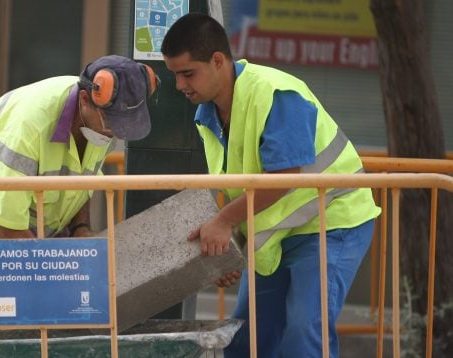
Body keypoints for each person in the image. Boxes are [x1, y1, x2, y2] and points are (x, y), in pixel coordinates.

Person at [161, 13, 381, 357]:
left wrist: (223, 222)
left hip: (330, 222)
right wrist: (229, 251)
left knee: (304, 334)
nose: (180, 85)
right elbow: (241, 188)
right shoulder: (207, 115)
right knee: (247, 340)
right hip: (278, 233)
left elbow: (283, 180)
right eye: (175, 75)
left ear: (218, 61)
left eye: (188, 73)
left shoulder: (276, 93)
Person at [0, 55, 159, 338]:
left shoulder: (101, 122)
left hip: (29, 228)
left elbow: (80, 181)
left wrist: (79, 228)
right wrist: (47, 275)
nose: (117, 133)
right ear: (85, 99)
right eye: (112, 124)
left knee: (28, 334)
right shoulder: (29, 125)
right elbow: (5, 224)